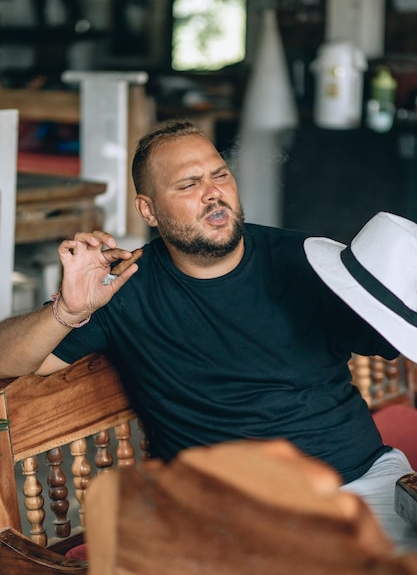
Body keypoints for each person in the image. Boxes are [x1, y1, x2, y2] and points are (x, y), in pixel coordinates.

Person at [0, 120, 416, 552]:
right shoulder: (125, 289)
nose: (213, 192)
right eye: (188, 184)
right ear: (148, 210)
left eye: (220, 174)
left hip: (367, 485)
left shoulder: (308, 261)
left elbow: (399, 329)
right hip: (238, 515)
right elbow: (6, 359)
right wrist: (67, 311)